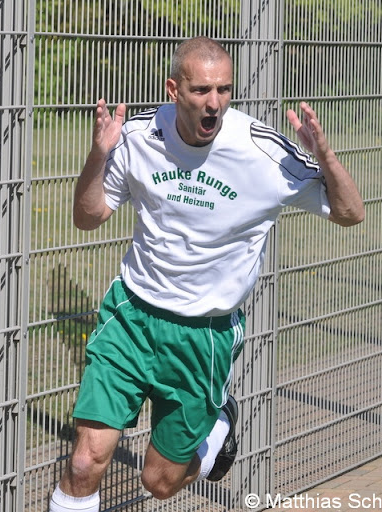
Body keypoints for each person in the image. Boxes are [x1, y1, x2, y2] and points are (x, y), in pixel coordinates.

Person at [49, 36, 364, 511]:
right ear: (174, 89)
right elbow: (87, 217)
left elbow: (351, 213)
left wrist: (326, 157)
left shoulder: (264, 152)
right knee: (84, 463)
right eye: (200, 91)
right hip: (132, 315)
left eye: (224, 90)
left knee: (158, 481)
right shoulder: (137, 136)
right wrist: (98, 154)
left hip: (204, 336)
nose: (213, 103)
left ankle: (217, 426)